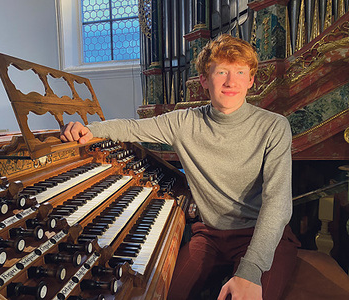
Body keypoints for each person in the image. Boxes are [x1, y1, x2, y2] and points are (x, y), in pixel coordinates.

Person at [60, 34, 300, 300]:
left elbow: (277, 203)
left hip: (261, 235)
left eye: (240, 72)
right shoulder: (185, 122)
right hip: (210, 235)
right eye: (221, 72)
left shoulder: (274, 126)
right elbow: (131, 127)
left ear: (251, 80)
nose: (231, 82)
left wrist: (250, 269)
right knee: (162, 293)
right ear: (204, 81)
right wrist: (89, 129)